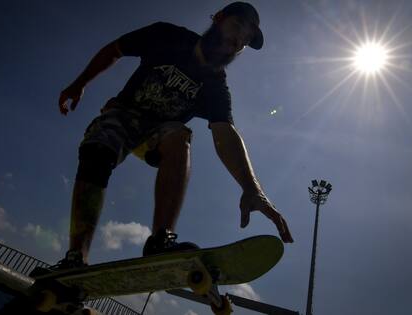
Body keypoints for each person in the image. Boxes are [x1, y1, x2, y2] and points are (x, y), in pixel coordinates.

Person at [52, 1, 293, 270]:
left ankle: (160, 241)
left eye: (245, 40)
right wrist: (79, 84)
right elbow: (115, 50)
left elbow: (225, 132)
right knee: (99, 145)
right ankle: (76, 257)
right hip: (125, 114)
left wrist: (251, 188)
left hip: (159, 135)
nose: (238, 41)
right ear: (219, 17)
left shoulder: (215, 84)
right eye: (237, 27)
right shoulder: (167, 36)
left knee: (180, 136)